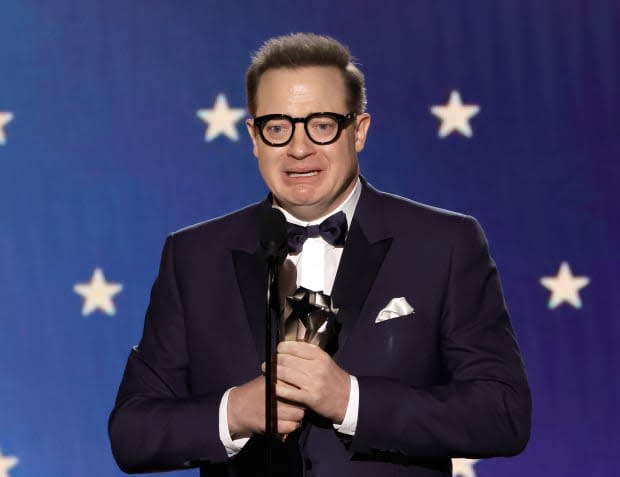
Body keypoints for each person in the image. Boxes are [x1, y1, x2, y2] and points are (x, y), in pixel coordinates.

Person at [109, 33, 531, 477]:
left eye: (322, 124)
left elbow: (502, 414)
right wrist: (234, 412)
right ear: (253, 136)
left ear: (359, 131)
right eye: (277, 126)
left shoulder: (444, 244)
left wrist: (350, 400)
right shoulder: (194, 256)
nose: (299, 147)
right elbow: (131, 434)